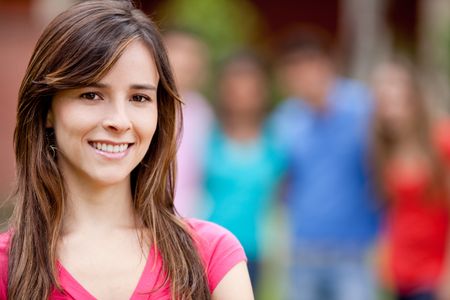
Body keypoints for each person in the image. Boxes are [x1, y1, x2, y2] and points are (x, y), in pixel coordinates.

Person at [0, 1, 253, 299]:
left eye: (139, 98)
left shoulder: (212, 256)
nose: (120, 121)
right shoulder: (9, 268)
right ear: (47, 110)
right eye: (91, 94)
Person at [270, 32, 380, 300]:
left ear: (326, 64)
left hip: (355, 251)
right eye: (293, 71)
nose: (303, 77)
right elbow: (280, 181)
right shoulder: (285, 120)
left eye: (308, 66)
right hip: (303, 250)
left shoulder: (364, 107)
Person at [202, 51, 285, 290]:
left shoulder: (276, 138)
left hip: (253, 250)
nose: (242, 95)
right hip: (208, 246)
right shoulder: (207, 132)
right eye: (235, 87)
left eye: (250, 87)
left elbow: (281, 197)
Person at [371, 59, 450, 300]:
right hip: (400, 273)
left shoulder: (442, 141)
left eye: (399, 100)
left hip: (434, 274)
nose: (392, 110)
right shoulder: (384, 151)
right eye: (385, 103)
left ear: (415, 99)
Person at [163, 29, 214, 218]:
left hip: (190, 218)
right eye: (178, 51)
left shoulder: (202, 111)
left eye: (193, 54)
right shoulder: (145, 104)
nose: (186, 61)